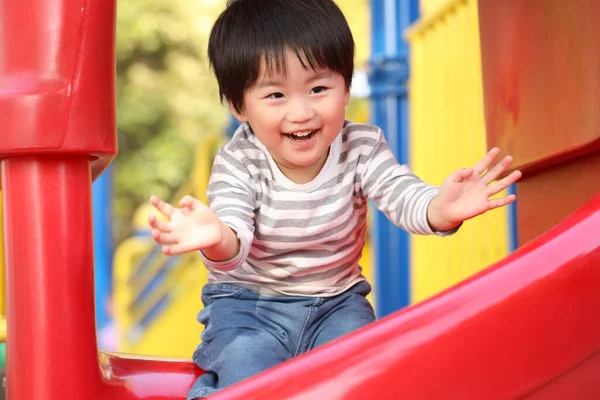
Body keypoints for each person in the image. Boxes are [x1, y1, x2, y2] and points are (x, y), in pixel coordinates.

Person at [147, 0, 522, 398]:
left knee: (363, 369)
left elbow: (398, 191)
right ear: (240, 106)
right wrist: (217, 237)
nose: (302, 111)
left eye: (319, 88)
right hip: (250, 306)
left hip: (338, 304)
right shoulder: (239, 162)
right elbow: (234, 234)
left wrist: (438, 210)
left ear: (346, 88)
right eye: (276, 95)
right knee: (246, 368)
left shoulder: (360, 146)